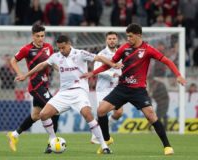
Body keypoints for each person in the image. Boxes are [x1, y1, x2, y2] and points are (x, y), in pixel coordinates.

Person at [81, 23, 186, 155]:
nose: (128, 39)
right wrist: (93, 73)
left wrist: (178, 75)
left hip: (138, 90)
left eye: (130, 36)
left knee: (151, 116)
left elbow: (167, 61)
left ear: (138, 35)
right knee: (101, 111)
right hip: (122, 88)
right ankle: (107, 139)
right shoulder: (124, 48)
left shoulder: (148, 49)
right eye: (127, 36)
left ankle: (167, 146)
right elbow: (110, 64)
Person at [15, 35, 123, 154]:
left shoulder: (80, 53)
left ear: (69, 44)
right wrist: (25, 75)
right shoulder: (56, 56)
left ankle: (104, 146)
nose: (61, 50)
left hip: (79, 91)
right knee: (43, 114)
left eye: (63, 48)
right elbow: (41, 65)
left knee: (88, 114)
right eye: (59, 48)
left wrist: (113, 65)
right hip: (64, 93)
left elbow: (99, 58)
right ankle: (52, 139)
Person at [7, 24, 59, 154]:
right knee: (55, 110)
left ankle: (14, 135)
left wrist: (65, 71)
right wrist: (20, 74)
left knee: (36, 115)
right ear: (33, 36)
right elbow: (13, 60)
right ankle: (51, 143)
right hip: (36, 86)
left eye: (42, 36)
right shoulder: (27, 49)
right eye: (38, 36)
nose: (40, 38)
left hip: (44, 85)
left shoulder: (49, 47)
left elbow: (53, 63)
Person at [90, 31, 123, 144]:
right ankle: (98, 136)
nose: (112, 40)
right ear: (106, 40)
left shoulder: (120, 53)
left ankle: (101, 131)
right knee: (102, 113)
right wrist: (112, 74)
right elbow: (97, 71)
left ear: (117, 40)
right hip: (103, 89)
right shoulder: (102, 54)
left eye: (114, 38)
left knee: (118, 113)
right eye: (110, 38)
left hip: (116, 88)